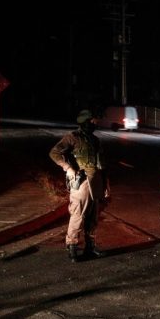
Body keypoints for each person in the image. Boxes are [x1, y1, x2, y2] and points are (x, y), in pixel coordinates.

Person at [49, 109, 107, 262]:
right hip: (81, 182)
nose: (95, 123)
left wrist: (106, 185)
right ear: (86, 121)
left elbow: (101, 164)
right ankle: (72, 246)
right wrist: (68, 168)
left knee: (93, 217)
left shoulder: (95, 140)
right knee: (78, 215)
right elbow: (54, 153)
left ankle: (91, 246)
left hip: (95, 181)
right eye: (93, 121)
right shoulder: (73, 137)